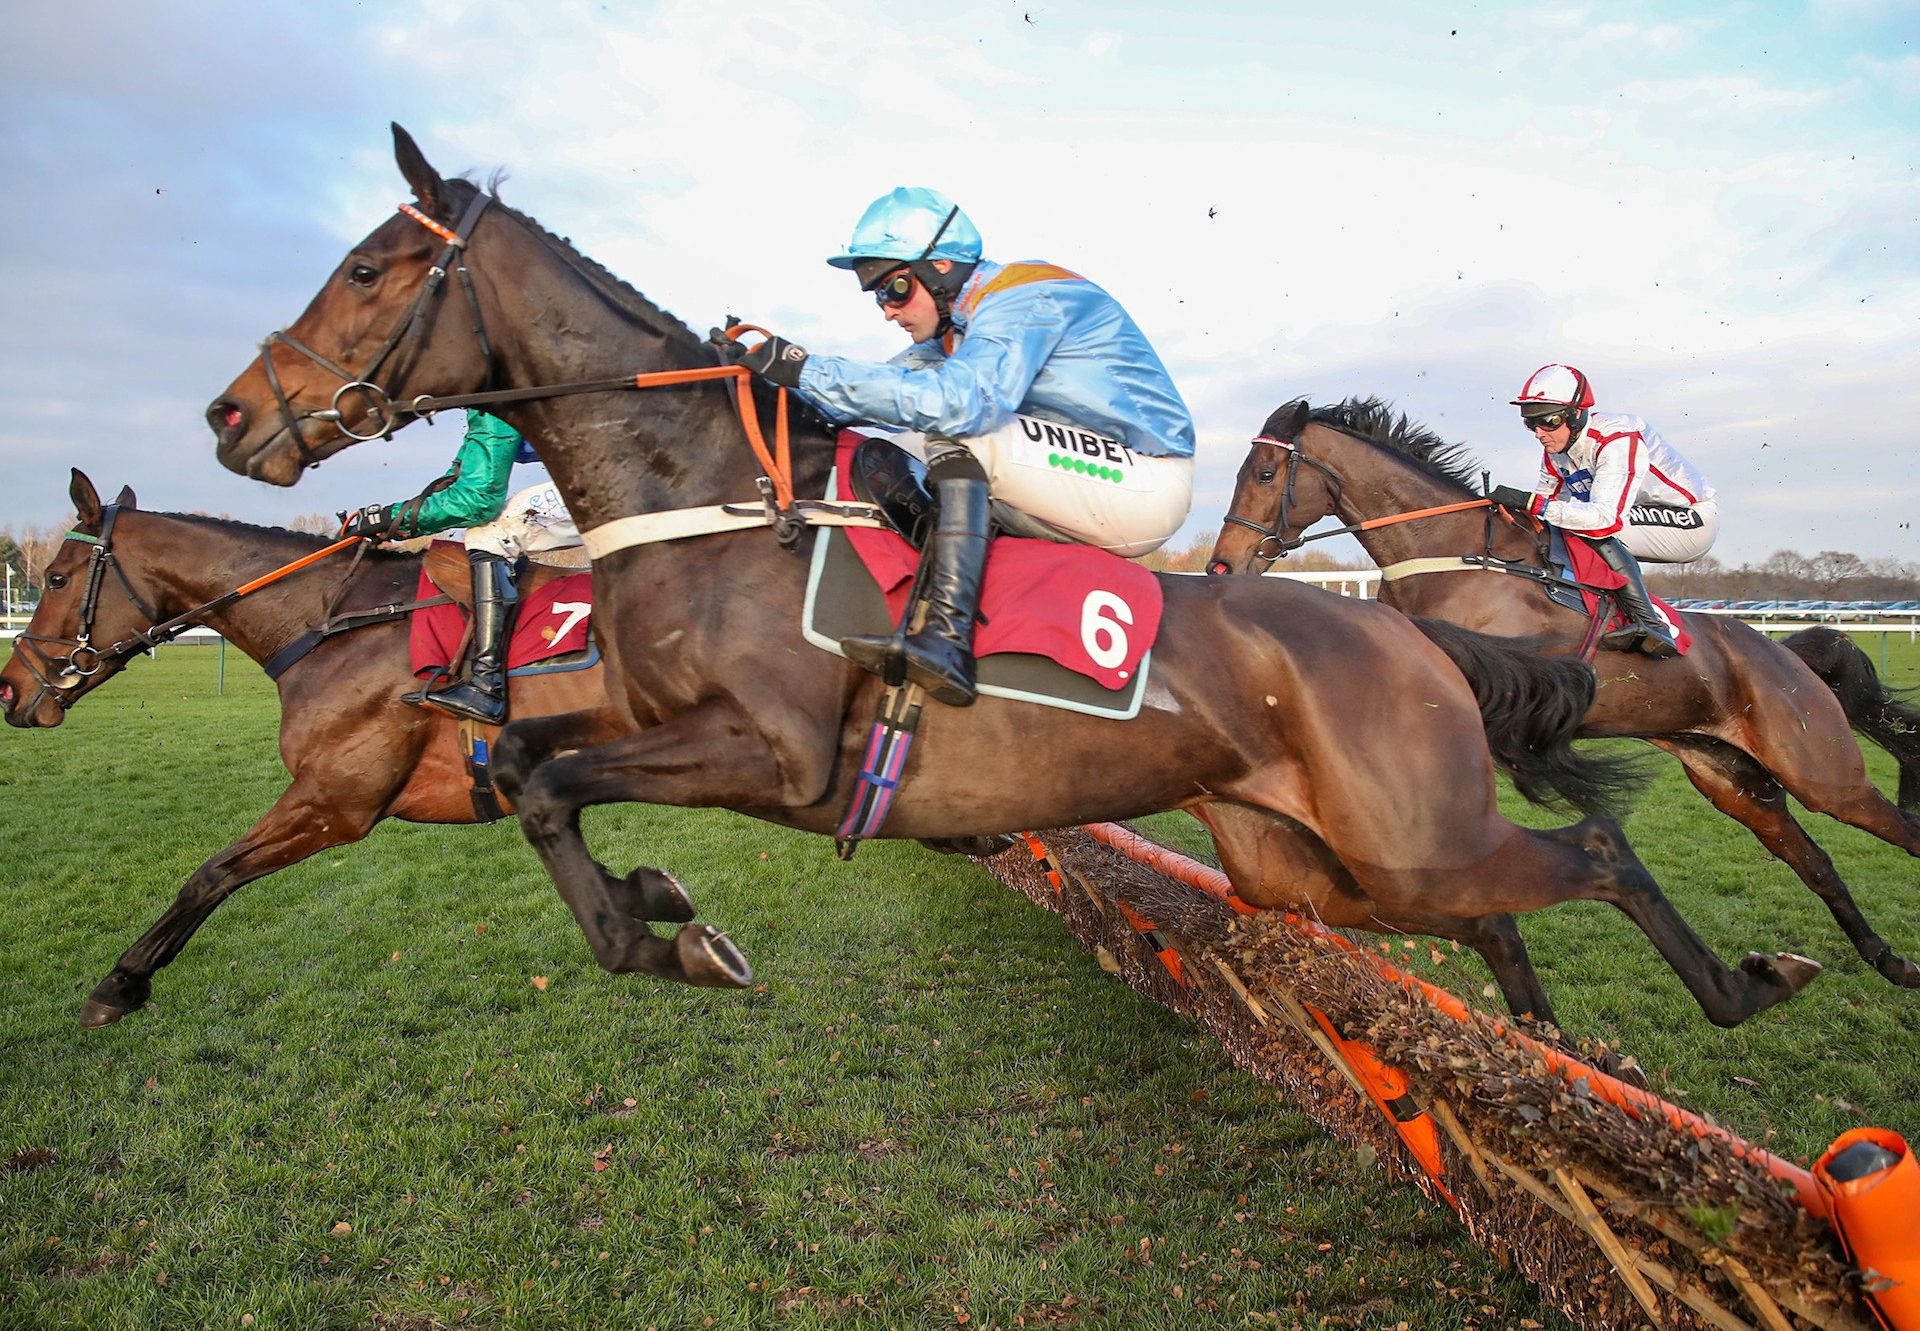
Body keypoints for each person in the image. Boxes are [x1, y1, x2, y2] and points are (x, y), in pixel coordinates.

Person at [720, 186, 1196, 706]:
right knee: (911, 446)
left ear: (941, 267)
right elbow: (862, 399)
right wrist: (762, 382)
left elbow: (965, 402)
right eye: (878, 295)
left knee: (959, 429)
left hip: (1143, 481)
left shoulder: (1025, 297)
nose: (887, 310)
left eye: (894, 289)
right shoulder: (953, 336)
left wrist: (805, 366)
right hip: (1082, 478)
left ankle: (946, 637)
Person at [339, 409, 579, 722]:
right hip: (640, 456)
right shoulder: (491, 389)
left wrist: (389, 517)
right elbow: (458, 478)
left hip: (639, 469)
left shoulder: (494, 389)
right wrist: (396, 521)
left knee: (493, 530)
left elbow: (478, 500)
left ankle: (486, 686)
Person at [1487, 363, 1718, 658]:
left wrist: (1532, 503)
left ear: (1576, 415)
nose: (1539, 433)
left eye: (1548, 421)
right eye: (1530, 424)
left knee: (1593, 527)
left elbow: (1604, 520)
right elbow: (1541, 514)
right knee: (1560, 531)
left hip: (1692, 519)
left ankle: (1651, 625)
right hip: (1637, 517)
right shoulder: (1555, 453)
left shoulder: (1617, 439)